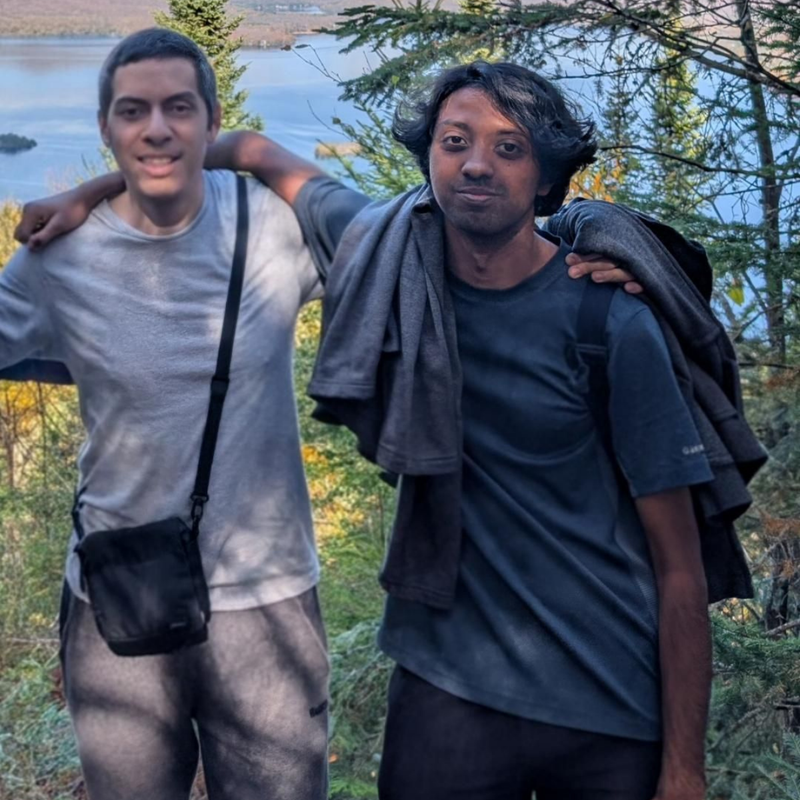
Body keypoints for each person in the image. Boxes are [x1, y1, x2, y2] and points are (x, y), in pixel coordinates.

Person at [11, 59, 722, 800]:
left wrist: (683, 769)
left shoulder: (609, 320)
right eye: (454, 142)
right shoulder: (392, 261)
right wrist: (89, 191)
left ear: (546, 177)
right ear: (430, 159)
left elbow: (679, 568)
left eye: (509, 147)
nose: (476, 164)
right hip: (446, 690)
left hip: (606, 701)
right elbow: (248, 149)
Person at [0, 28, 332, 800]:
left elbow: (389, 237)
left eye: (179, 108)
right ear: (105, 128)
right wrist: (90, 198)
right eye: (133, 111)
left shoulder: (272, 227)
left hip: (269, 596)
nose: (156, 128)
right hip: (118, 595)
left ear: (212, 122)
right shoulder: (58, 258)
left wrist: (251, 149)